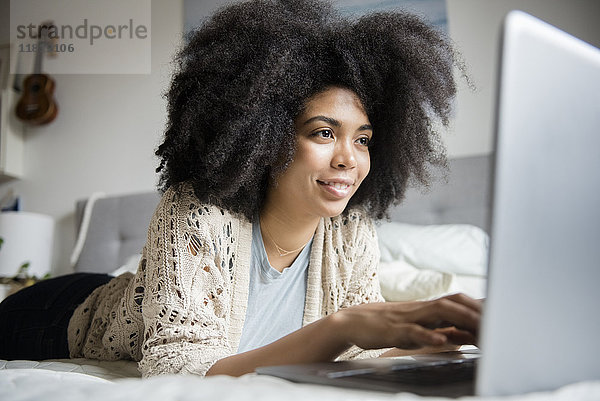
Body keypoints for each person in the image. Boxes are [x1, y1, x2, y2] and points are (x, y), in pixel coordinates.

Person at [0, 0, 480, 377]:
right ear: (266, 139)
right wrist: (347, 324)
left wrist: (438, 338)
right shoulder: (198, 212)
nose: (348, 160)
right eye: (323, 132)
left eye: (363, 140)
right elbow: (179, 369)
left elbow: (351, 351)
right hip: (57, 316)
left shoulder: (351, 233)